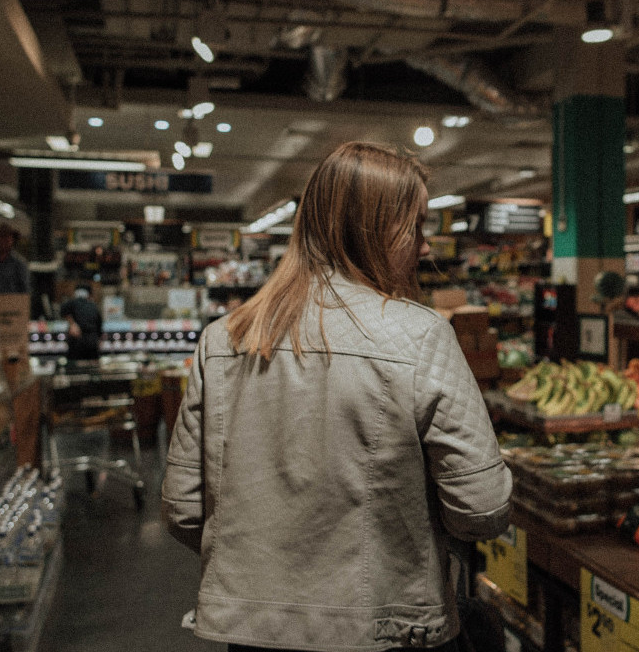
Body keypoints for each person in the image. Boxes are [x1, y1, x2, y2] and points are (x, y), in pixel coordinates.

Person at [162, 141, 511, 651]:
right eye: (415, 226)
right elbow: (480, 509)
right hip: (386, 630)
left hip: (255, 634)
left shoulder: (224, 338)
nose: (426, 246)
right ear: (370, 230)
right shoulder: (419, 336)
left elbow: (183, 509)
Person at [59, 284, 102, 360]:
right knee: (92, 367)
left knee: (74, 367)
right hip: (91, 341)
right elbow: (99, 326)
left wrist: (72, 324)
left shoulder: (72, 302)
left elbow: (62, 311)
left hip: (78, 341)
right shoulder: (93, 306)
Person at [0, 222, 30, 294]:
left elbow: (26, 288)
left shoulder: (20, 262)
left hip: (14, 302)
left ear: (12, 240)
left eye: (7, 237)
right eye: (1, 237)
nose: (3, 240)